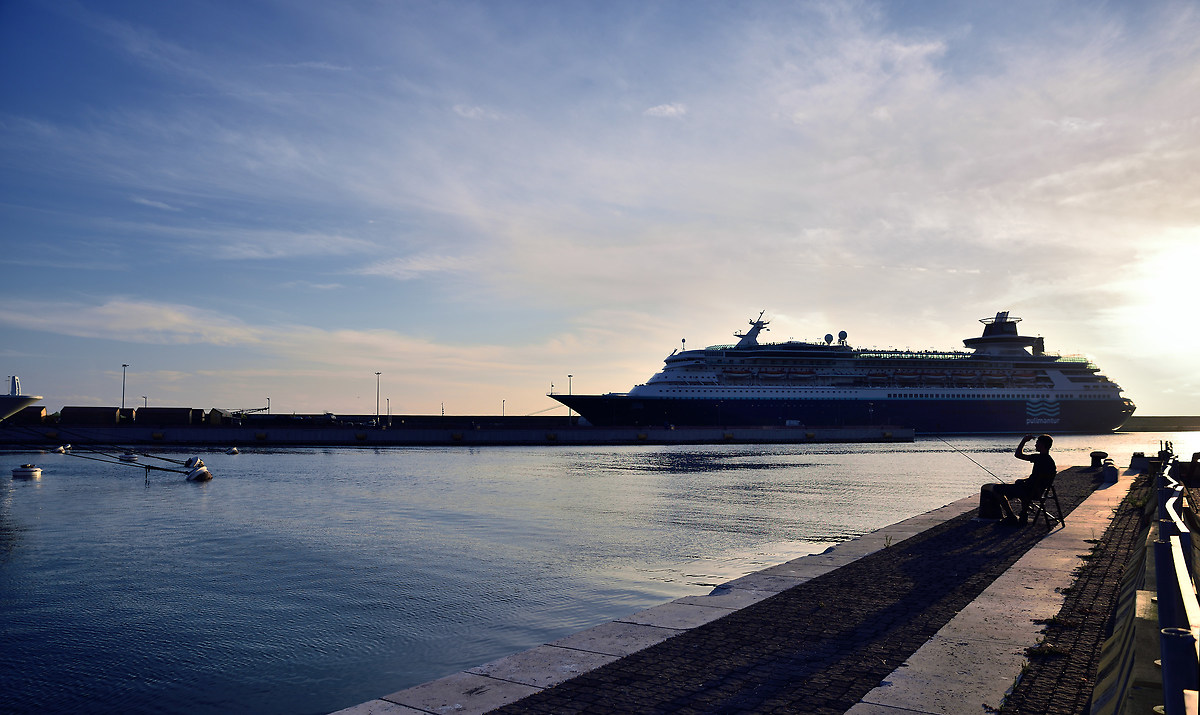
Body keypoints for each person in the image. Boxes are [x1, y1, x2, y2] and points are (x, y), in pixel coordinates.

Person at [992, 434, 1056, 525]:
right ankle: (1023, 514)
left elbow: (1018, 454)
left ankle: (1011, 516)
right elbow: (1037, 479)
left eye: (1037, 443)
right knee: (1020, 484)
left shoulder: (1038, 458)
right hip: (1038, 491)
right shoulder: (1050, 461)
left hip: (1030, 491)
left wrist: (1024, 441)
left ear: (1042, 445)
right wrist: (1022, 481)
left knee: (996, 489)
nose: (1035, 445)